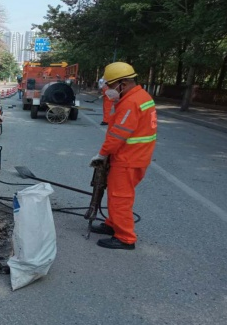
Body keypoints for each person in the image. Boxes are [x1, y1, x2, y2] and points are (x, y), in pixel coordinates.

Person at [89, 62, 157, 250]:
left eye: (110, 86)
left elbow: (118, 135)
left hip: (129, 159)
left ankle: (125, 238)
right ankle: (112, 224)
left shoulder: (130, 103)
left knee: (120, 197)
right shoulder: (139, 96)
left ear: (123, 83)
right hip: (134, 156)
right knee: (115, 194)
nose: (108, 90)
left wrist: (102, 154)